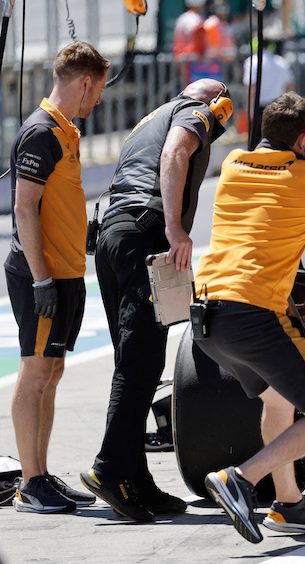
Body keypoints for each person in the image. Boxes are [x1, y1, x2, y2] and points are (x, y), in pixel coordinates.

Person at [198, 93, 305, 542]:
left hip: (208, 314)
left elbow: (288, 153)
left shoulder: (232, 163)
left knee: (278, 401)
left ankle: (288, 504)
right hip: (255, 310)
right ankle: (241, 479)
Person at [80, 79, 233, 522]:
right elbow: (175, 155)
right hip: (146, 231)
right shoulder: (196, 111)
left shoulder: (149, 118)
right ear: (216, 100)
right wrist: (175, 228)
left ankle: (135, 479)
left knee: (136, 358)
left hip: (113, 233)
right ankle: (109, 468)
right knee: (140, 361)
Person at [5, 41, 110, 513]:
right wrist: (42, 278)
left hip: (66, 270)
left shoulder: (67, 130)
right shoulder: (43, 131)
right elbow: (24, 208)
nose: (100, 99)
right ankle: (30, 483)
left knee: (53, 370)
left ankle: (41, 474)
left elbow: (53, 204)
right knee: (36, 372)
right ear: (85, 82)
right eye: (100, 89)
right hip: (41, 274)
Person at [243, 40, 295, 149]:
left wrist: (250, 107)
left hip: (258, 106)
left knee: (254, 141)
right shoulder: (281, 61)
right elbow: (290, 85)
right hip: (277, 106)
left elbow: (251, 87)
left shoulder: (252, 61)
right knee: (276, 141)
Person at [173, 0, 207, 86]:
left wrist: (177, 55)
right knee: (196, 85)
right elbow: (199, 41)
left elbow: (177, 40)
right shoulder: (197, 19)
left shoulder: (182, 18)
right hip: (194, 58)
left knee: (186, 85)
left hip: (182, 57)